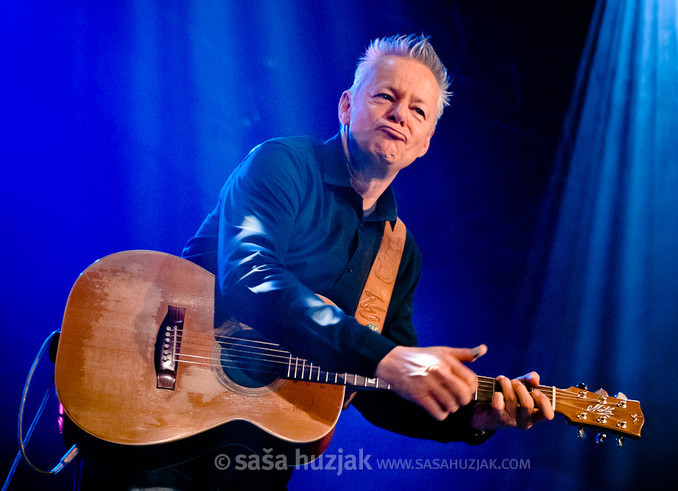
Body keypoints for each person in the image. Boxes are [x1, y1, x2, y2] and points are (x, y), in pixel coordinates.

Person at [79, 34, 553, 491]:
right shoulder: (282, 163)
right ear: (347, 105)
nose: (399, 114)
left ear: (425, 142)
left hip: (254, 466)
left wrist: (475, 418)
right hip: (155, 423)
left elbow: (376, 387)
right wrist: (383, 356)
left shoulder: (400, 252)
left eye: (417, 110)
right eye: (386, 96)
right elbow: (249, 275)